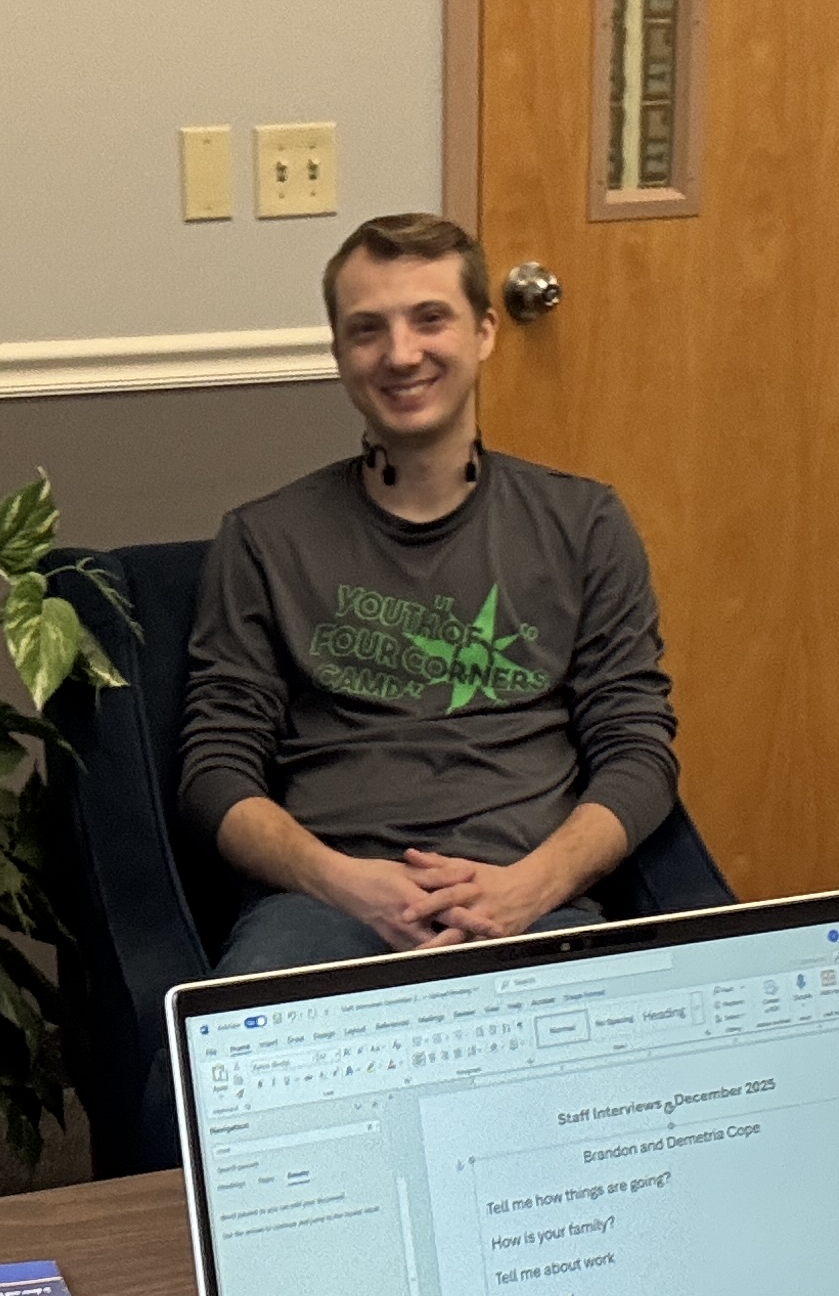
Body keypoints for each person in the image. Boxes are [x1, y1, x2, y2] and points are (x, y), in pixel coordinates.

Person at [175, 211, 678, 972]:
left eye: (429, 318)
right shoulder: (263, 539)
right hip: (327, 906)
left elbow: (637, 748)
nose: (401, 353)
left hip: (527, 900)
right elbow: (215, 772)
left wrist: (531, 887)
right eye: (367, 329)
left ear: (485, 332)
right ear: (339, 352)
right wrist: (343, 884)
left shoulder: (585, 524)